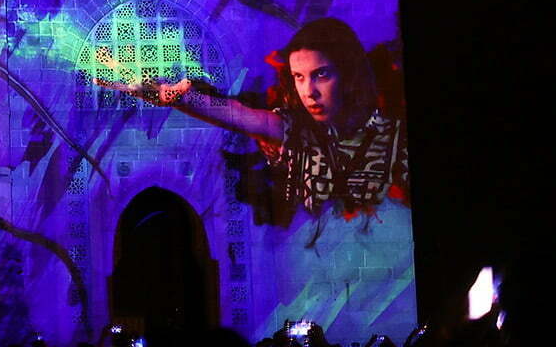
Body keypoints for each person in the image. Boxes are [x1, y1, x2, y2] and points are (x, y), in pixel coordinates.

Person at [99, 17, 406, 218]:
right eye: (299, 77)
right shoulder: (293, 130)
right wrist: (166, 93)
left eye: (321, 75)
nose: (308, 91)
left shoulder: (390, 134)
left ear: (347, 74)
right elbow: (234, 114)